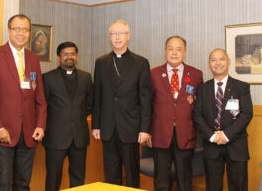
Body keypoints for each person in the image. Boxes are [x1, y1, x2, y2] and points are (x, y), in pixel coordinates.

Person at [0, 14, 47, 191]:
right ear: (9, 31)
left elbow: (39, 97)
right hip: (4, 132)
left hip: (29, 132)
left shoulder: (33, 58)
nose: (21, 33)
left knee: (23, 184)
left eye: (25, 30)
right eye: (17, 29)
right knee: (2, 183)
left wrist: (40, 125)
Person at [92, 20, 152, 188]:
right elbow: (98, 96)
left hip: (131, 127)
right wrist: (96, 125)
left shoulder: (140, 63)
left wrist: (145, 129)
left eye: (121, 33)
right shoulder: (101, 62)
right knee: (111, 173)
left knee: (132, 173)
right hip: (108, 127)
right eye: (113, 34)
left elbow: (146, 99)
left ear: (128, 36)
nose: (117, 37)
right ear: (110, 37)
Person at [193, 48, 253, 191]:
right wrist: (213, 136)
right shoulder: (202, 88)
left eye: (221, 59)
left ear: (228, 62)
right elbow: (197, 115)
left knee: (238, 186)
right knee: (213, 187)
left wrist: (226, 135)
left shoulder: (241, 87)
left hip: (237, 145)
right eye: (213, 60)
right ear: (209, 64)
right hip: (211, 145)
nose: (218, 63)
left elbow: (246, 114)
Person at [149, 36, 203, 191]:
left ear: (185, 52)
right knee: (161, 181)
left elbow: (199, 106)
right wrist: (148, 131)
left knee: (184, 180)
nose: (174, 53)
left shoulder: (195, 74)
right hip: (160, 134)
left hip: (186, 134)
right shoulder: (153, 74)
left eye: (178, 49)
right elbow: (146, 105)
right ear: (165, 51)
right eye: (170, 49)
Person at [42, 42, 93, 191]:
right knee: (53, 179)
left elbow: (90, 104)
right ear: (58, 58)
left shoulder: (86, 77)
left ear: (77, 56)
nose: (69, 57)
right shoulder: (47, 78)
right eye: (65, 54)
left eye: (72, 54)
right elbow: (42, 106)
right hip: (55, 138)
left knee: (78, 178)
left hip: (79, 137)